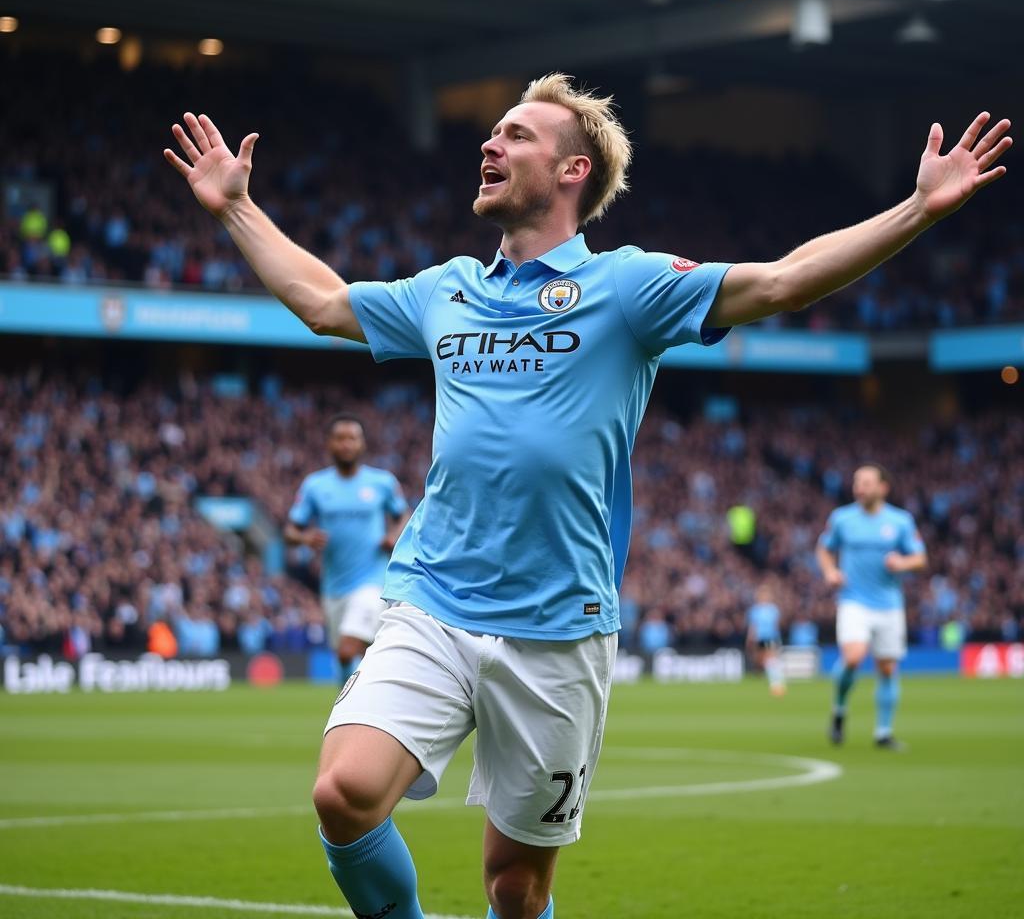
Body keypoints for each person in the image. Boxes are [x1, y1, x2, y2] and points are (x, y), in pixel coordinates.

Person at [164, 79, 1010, 919]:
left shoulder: (630, 287)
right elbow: (323, 302)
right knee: (343, 794)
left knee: (516, 888)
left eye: (516, 135)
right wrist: (236, 209)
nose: (490, 144)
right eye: (491, 132)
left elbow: (783, 282)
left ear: (573, 170)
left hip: (559, 629)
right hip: (434, 601)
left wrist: (917, 211)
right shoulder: (445, 289)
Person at [284, 413, 409, 681]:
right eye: (340, 438)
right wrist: (305, 539)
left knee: (347, 648)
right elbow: (290, 530)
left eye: (352, 438)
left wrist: (393, 535)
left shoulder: (382, 483)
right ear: (329, 443)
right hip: (333, 587)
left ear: (362, 444)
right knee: (342, 657)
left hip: (372, 582)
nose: (346, 444)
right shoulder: (315, 486)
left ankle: (386, 669)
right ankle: (350, 702)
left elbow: (404, 517)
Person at [816, 464, 928, 750]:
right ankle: (839, 710)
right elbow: (824, 548)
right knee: (854, 657)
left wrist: (901, 562)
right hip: (854, 601)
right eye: (856, 482)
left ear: (882, 487)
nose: (859, 487)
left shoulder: (900, 521)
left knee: (887, 669)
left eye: (866, 482)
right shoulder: (842, 518)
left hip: (889, 605)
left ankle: (883, 733)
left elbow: (920, 558)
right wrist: (830, 572)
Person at [746, 584, 786, 696]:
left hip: (770, 638)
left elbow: (776, 626)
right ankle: (765, 682)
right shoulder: (754, 610)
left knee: (771, 660)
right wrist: (750, 639)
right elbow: (753, 627)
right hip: (759, 639)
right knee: (759, 662)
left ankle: (776, 684)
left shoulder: (773, 609)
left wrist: (778, 639)